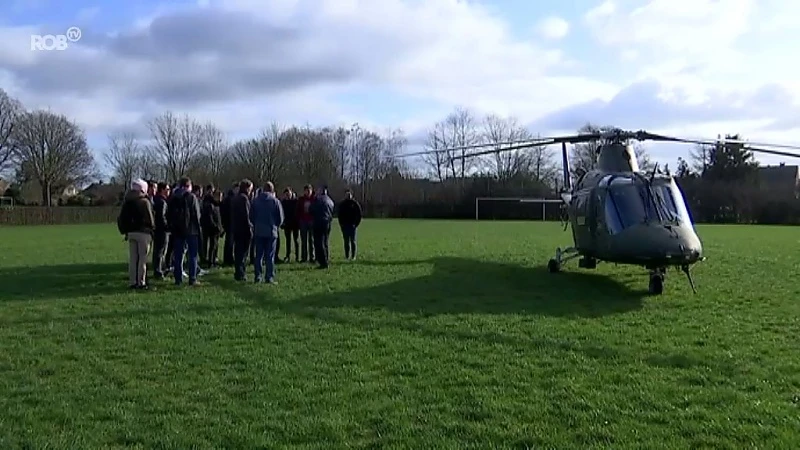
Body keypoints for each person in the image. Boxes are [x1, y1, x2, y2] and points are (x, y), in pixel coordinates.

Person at [116, 179, 155, 289]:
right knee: (142, 259)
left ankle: (132, 282)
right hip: (143, 232)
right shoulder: (144, 201)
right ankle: (141, 282)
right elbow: (150, 218)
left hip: (131, 233)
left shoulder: (127, 201)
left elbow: (121, 218)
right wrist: (152, 229)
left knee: (133, 259)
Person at [168, 176, 202, 286]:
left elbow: (169, 214)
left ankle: (178, 279)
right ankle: (192, 278)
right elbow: (196, 215)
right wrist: (198, 229)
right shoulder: (191, 197)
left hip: (178, 230)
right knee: (192, 255)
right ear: (188, 186)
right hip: (191, 230)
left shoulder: (173, 197)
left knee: (178, 255)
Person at [250, 181, 284, 283]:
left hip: (259, 231)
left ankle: (258, 276)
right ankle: (269, 276)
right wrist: (276, 226)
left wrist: (256, 224)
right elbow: (280, 218)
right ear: (272, 190)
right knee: (270, 256)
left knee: (259, 255)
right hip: (271, 231)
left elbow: (251, 216)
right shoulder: (275, 201)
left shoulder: (255, 201)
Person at [231, 179, 254, 281]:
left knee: (238, 252)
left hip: (236, 228)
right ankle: (241, 273)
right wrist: (250, 229)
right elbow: (246, 216)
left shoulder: (236, 198)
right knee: (243, 253)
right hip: (244, 230)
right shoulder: (244, 199)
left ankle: (238, 272)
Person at [310, 185, 334, 269]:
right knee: (325, 242)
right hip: (327, 223)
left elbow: (311, 209)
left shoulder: (318, 199)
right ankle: (326, 259)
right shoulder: (330, 201)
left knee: (319, 243)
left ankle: (323, 262)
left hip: (318, 222)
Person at [151, 182, 170, 279]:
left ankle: (158, 269)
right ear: (162, 190)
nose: (168, 192)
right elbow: (162, 216)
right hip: (162, 230)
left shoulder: (156, 200)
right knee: (161, 251)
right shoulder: (162, 202)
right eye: (167, 189)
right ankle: (159, 271)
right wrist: (167, 226)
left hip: (157, 229)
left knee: (157, 250)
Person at [337, 189, 363, 260]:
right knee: (346, 242)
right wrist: (341, 224)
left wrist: (356, 224)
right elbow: (339, 215)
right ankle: (347, 256)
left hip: (352, 226)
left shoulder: (355, 204)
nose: (348, 195)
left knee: (353, 241)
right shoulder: (342, 204)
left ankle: (353, 256)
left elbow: (359, 215)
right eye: (347, 194)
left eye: (349, 194)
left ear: (352, 195)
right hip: (344, 226)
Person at [201, 188, 223, 268]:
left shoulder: (217, 205)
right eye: (219, 197)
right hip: (212, 229)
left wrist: (220, 227)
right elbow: (210, 218)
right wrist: (215, 226)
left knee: (215, 246)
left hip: (217, 229)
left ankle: (213, 261)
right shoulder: (210, 205)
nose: (220, 199)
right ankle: (210, 262)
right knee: (212, 246)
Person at [297, 184, 315, 262]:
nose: (307, 192)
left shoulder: (314, 199)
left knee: (311, 240)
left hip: (311, 221)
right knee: (303, 240)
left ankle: (312, 257)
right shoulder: (301, 200)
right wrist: (299, 219)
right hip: (303, 221)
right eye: (306, 191)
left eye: (308, 191)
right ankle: (304, 257)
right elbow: (297, 210)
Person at [280, 187, 300, 262]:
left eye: (289, 194)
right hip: (287, 224)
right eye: (286, 194)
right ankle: (287, 255)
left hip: (295, 223)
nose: (288, 196)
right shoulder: (283, 202)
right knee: (288, 241)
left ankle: (297, 256)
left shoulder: (296, 201)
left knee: (296, 240)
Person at [220, 183, 237, 266]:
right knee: (229, 242)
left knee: (229, 242)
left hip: (228, 223)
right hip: (230, 223)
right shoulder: (231, 199)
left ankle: (228, 257)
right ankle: (228, 258)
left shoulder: (228, 198)